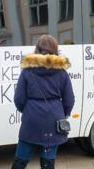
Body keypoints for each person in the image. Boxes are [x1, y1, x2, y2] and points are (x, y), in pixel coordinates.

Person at [12, 35, 74, 169]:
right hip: (53, 122)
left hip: (31, 121)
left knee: (20, 162)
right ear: (55, 50)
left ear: (37, 49)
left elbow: (19, 99)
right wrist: (63, 113)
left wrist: (28, 110)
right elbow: (69, 100)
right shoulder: (62, 72)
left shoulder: (27, 71)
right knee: (48, 164)